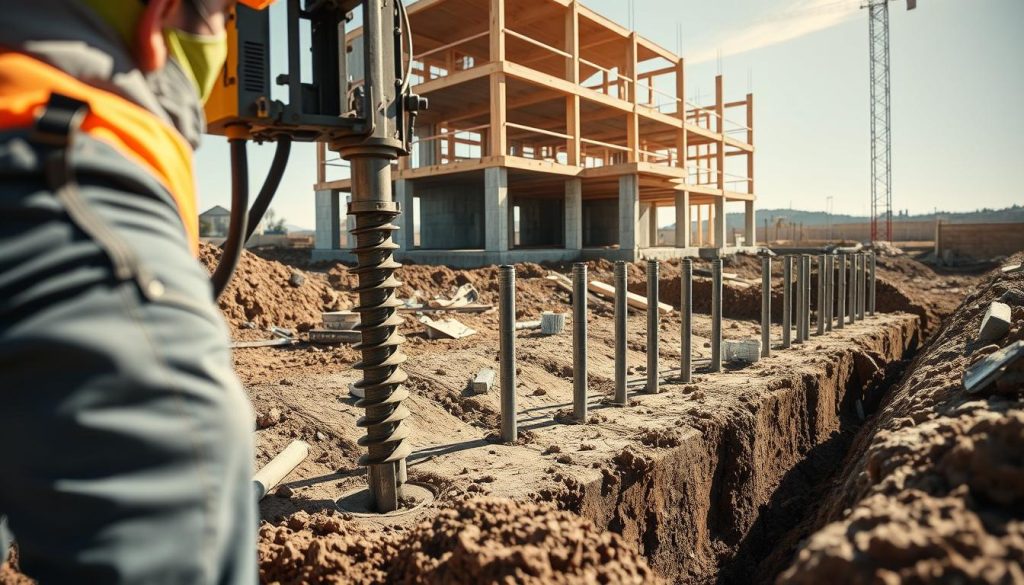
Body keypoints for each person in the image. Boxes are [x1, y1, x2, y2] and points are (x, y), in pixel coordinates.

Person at [0, 0, 270, 581]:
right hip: (60, 159)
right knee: (183, 455)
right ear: (161, 17)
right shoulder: (71, 195)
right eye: (222, 15)